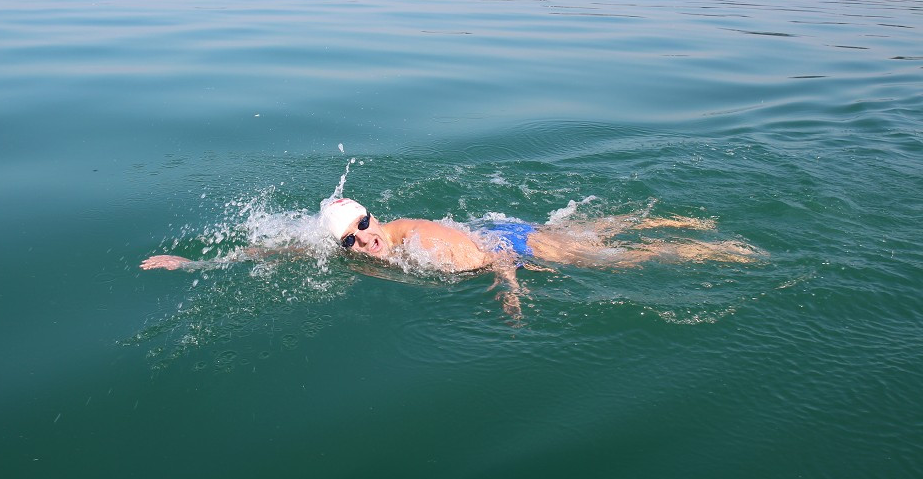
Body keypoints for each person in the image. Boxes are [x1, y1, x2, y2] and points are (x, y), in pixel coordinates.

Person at [141, 197, 759, 318]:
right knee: (598, 230)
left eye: (363, 226)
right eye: (348, 240)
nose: (361, 242)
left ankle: (709, 244)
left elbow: (491, 256)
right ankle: (668, 213)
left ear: (374, 216)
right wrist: (194, 265)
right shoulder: (348, 248)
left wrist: (510, 289)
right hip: (497, 228)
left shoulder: (421, 243)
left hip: (509, 244)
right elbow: (277, 249)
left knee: (611, 259)